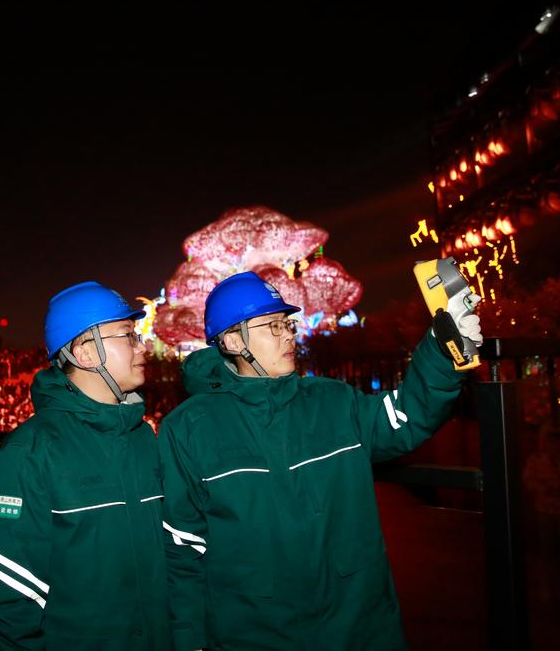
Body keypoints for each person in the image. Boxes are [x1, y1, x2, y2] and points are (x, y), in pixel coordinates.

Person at [158, 270, 482, 650]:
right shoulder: (190, 428)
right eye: (272, 325)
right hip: (253, 633)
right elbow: (183, 544)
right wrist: (190, 640)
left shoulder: (333, 401)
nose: (287, 335)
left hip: (357, 625)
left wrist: (442, 349)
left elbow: (406, 417)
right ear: (232, 341)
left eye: (287, 323)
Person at [0, 281, 171, 650]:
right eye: (128, 335)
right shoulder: (28, 454)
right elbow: (9, 604)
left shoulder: (142, 437)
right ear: (85, 352)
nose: (141, 346)